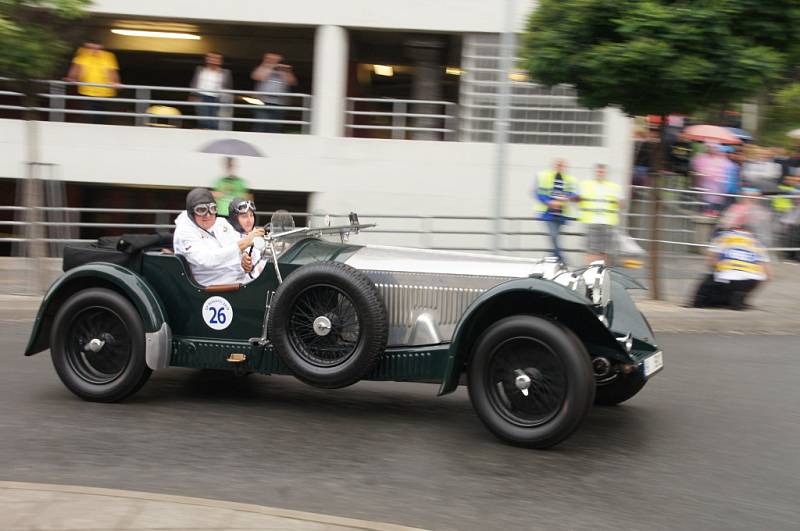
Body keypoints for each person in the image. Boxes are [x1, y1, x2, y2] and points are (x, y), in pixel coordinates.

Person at [173, 188, 264, 286]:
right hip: (216, 287)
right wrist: (244, 243)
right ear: (191, 213)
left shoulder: (220, 223)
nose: (208, 215)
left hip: (240, 280)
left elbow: (237, 241)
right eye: (201, 210)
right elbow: (207, 260)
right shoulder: (184, 233)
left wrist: (244, 257)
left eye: (212, 209)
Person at [691, 223, 771, 310]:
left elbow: (711, 261)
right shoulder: (757, 243)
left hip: (727, 276)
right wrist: (747, 292)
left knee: (711, 278)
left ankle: (700, 300)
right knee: (756, 276)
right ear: (750, 232)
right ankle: (740, 297)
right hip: (749, 280)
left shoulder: (723, 236)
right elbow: (769, 275)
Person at [64, 41, 120, 124]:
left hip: (106, 93)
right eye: (90, 48)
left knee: (102, 117)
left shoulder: (108, 56)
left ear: (101, 46)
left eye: (96, 48)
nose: (93, 50)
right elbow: (75, 68)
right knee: (89, 117)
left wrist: (116, 82)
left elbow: (113, 71)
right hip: (87, 92)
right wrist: (71, 78)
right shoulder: (82, 55)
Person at [578, 163, 624, 264]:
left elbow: (621, 204)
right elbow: (577, 199)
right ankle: (590, 271)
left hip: (607, 222)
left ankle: (601, 272)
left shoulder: (614, 187)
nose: (600, 173)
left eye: (602, 171)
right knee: (591, 249)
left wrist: (618, 203)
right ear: (595, 172)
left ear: (606, 173)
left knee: (605, 250)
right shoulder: (586, 185)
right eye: (598, 171)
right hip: (592, 221)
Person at [534, 159, 578, 264]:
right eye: (558, 165)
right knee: (553, 235)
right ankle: (561, 258)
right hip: (548, 213)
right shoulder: (545, 176)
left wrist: (567, 198)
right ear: (554, 165)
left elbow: (574, 193)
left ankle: (553, 258)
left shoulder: (569, 179)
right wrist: (549, 202)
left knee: (555, 237)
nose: (560, 167)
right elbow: (538, 193)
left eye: (562, 165)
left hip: (561, 214)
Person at [251, 53, 298, 133]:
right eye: (270, 59)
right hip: (263, 102)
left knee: (275, 126)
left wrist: (287, 71)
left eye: (276, 59)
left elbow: (292, 82)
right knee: (261, 124)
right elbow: (257, 76)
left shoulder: (284, 71)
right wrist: (269, 66)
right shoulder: (262, 68)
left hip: (279, 103)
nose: (273, 61)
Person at [227, 197, 266, 283]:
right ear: (234, 219)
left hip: (261, 280)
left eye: (251, 215)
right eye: (244, 216)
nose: (249, 220)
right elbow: (238, 252)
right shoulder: (229, 236)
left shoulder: (255, 233)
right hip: (243, 286)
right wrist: (243, 258)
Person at [190, 52, 233, 130]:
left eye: (216, 58)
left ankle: (210, 132)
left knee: (214, 119)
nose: (213, 60)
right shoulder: (200, 69)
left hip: (217, 98)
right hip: (201, 96)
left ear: (220, 61)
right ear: (207, 59)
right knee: (203, 118)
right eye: (211, 58)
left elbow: (228, 86)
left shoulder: (226, 72)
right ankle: (205, 131)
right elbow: (194, 82)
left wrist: (226, 99)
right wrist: (192, 95)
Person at [690, 143, 734, 216]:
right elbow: (695, 168)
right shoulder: (700, 158)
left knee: (714, 213)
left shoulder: (723, 160)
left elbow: (727, 173)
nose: (712, 149)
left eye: (715, 148)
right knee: (704, 212)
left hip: (717, 191)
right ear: (707, 148)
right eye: (710, 147)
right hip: (704, 190)